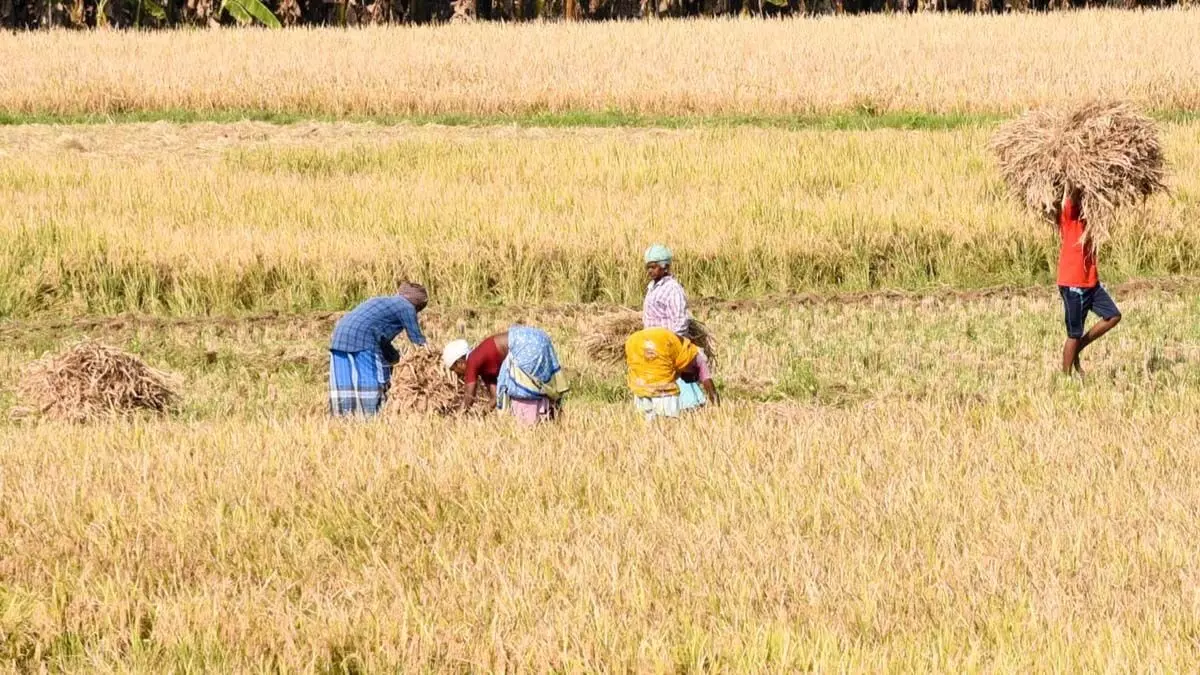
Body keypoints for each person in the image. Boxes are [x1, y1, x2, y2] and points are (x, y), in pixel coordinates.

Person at [328, 282, 428, 417]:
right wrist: (431, 357)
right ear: (417, 304)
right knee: (372, 377)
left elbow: (382, 339)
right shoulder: (406, 306)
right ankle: (371, 414)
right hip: (363, 339)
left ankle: (344, 414)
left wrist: (394, 357)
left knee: (345, 379)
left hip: (340, 336)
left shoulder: (382, 302)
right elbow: (417, 340)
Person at [442, 325, 569, 425]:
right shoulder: (483, 366)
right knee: (539, 385)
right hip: (539, 338)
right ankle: (552, 420)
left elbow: (469, 397)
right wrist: (480, 415)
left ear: (460, 363)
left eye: (454, 370)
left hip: (525, 345)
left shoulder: (472, 361)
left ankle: (533, 425)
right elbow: (495, 398)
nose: (457, 375)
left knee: (522, 391)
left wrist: (456, 419)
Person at [1057, 184, 1121, 378]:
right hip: (1072, 284)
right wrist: (1083, 180)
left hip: (1091, 282)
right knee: (1074, 334)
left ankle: (1079, 347)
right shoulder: (1069, 215)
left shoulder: (1092, 219)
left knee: (1113, 316)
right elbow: (1074, 194)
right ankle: (1065, 379)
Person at [641, 243, 716, 410]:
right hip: (653, 344)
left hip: (668, 344)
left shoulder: (672, 289)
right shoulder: (652, 288)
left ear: (665, 267)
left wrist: (670, 344)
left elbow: (680, 321)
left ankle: (689, 405)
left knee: (676, 377)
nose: (650, 271)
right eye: (648, 267)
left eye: (653, 267)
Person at [625, 327, 718, 421]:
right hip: (654, 344)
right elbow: (708, 382)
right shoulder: (697, 357)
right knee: (666, 394)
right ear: (694, 372)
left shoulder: (681, 349)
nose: (685, 380)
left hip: (634, 342)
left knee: (643, 384)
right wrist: (717, 407)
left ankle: (649, 419)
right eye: (691, 378)